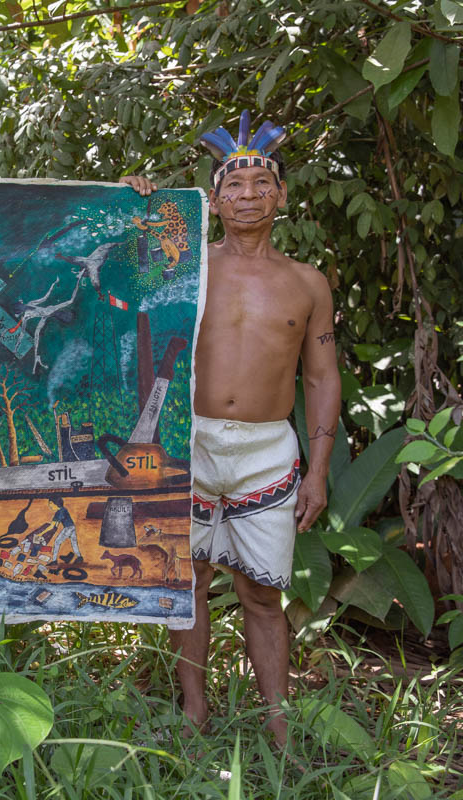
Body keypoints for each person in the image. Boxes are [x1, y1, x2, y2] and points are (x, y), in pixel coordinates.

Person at [121, 112, 340, 745]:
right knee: (187, 581)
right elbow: (116, 281)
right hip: (189, 441)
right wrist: (133, 207)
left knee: (263, 593)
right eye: (233, 185)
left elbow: (322, 378)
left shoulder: (307, 284)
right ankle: (195, 712)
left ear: (282, 196)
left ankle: (278, 721)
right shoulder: (185, 269)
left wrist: (318, 472)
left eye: (261, 183)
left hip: (267, 451)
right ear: (213, 201)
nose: (248, 195)